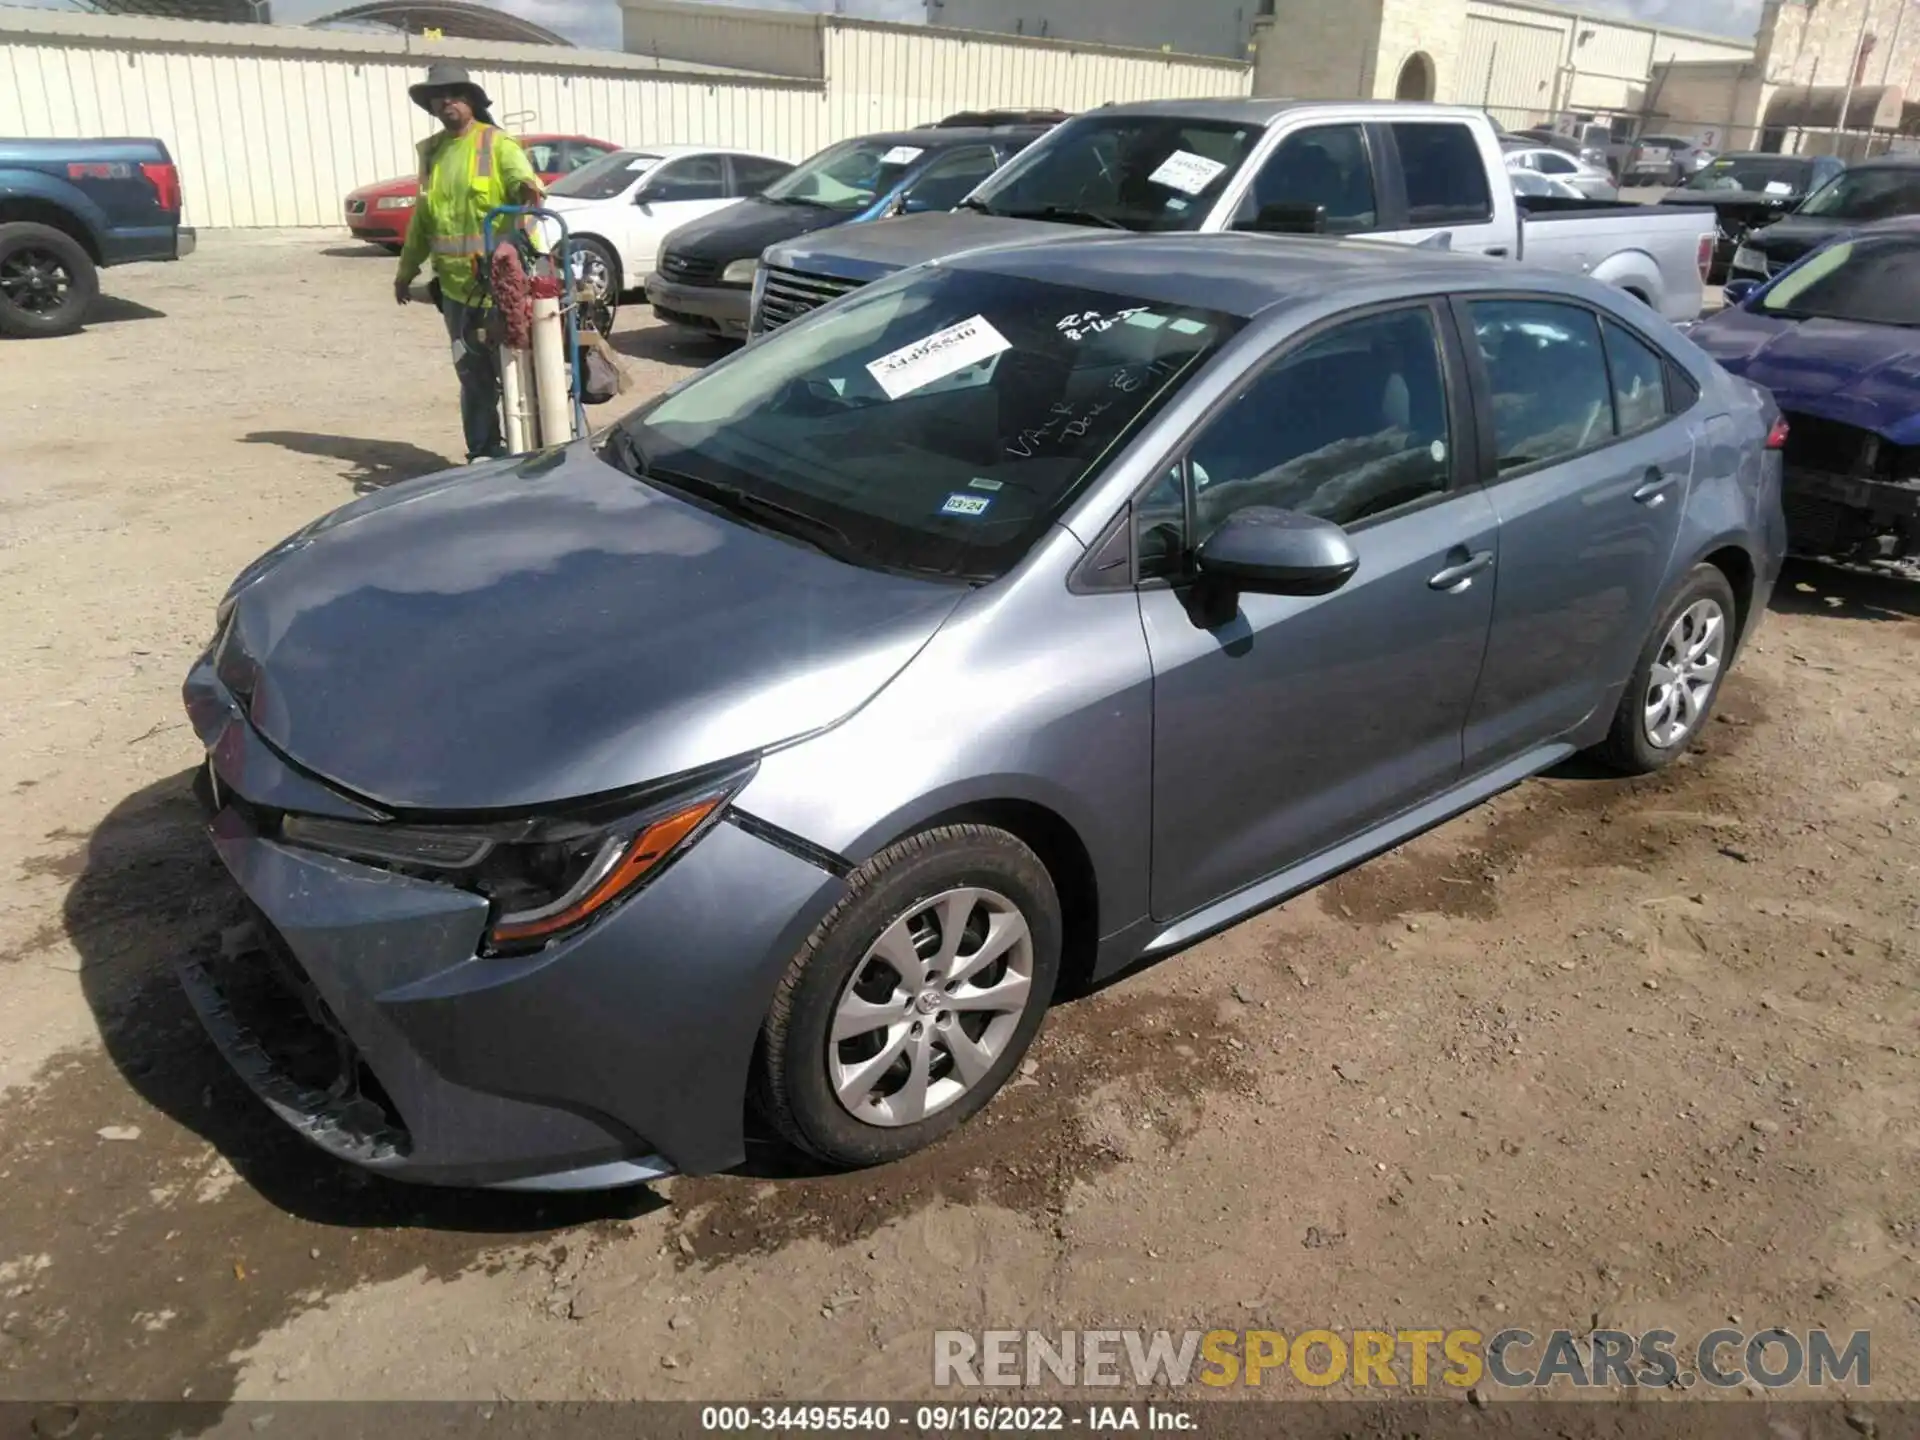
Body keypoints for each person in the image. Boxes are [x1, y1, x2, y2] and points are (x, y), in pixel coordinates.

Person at [393, 62, 544, 461]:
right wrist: (405, 271)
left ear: (471, 100)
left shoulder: (496, 143)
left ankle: (531, 452)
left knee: (520, 371)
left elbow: (526, 189)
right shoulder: (434, 153)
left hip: (501, 286)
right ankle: (483, 453)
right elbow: (423, 220)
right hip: (457, 293)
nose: (447, 103)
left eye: (455, 94)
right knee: (472, 375)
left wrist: (527, 192)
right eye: (438, 97)